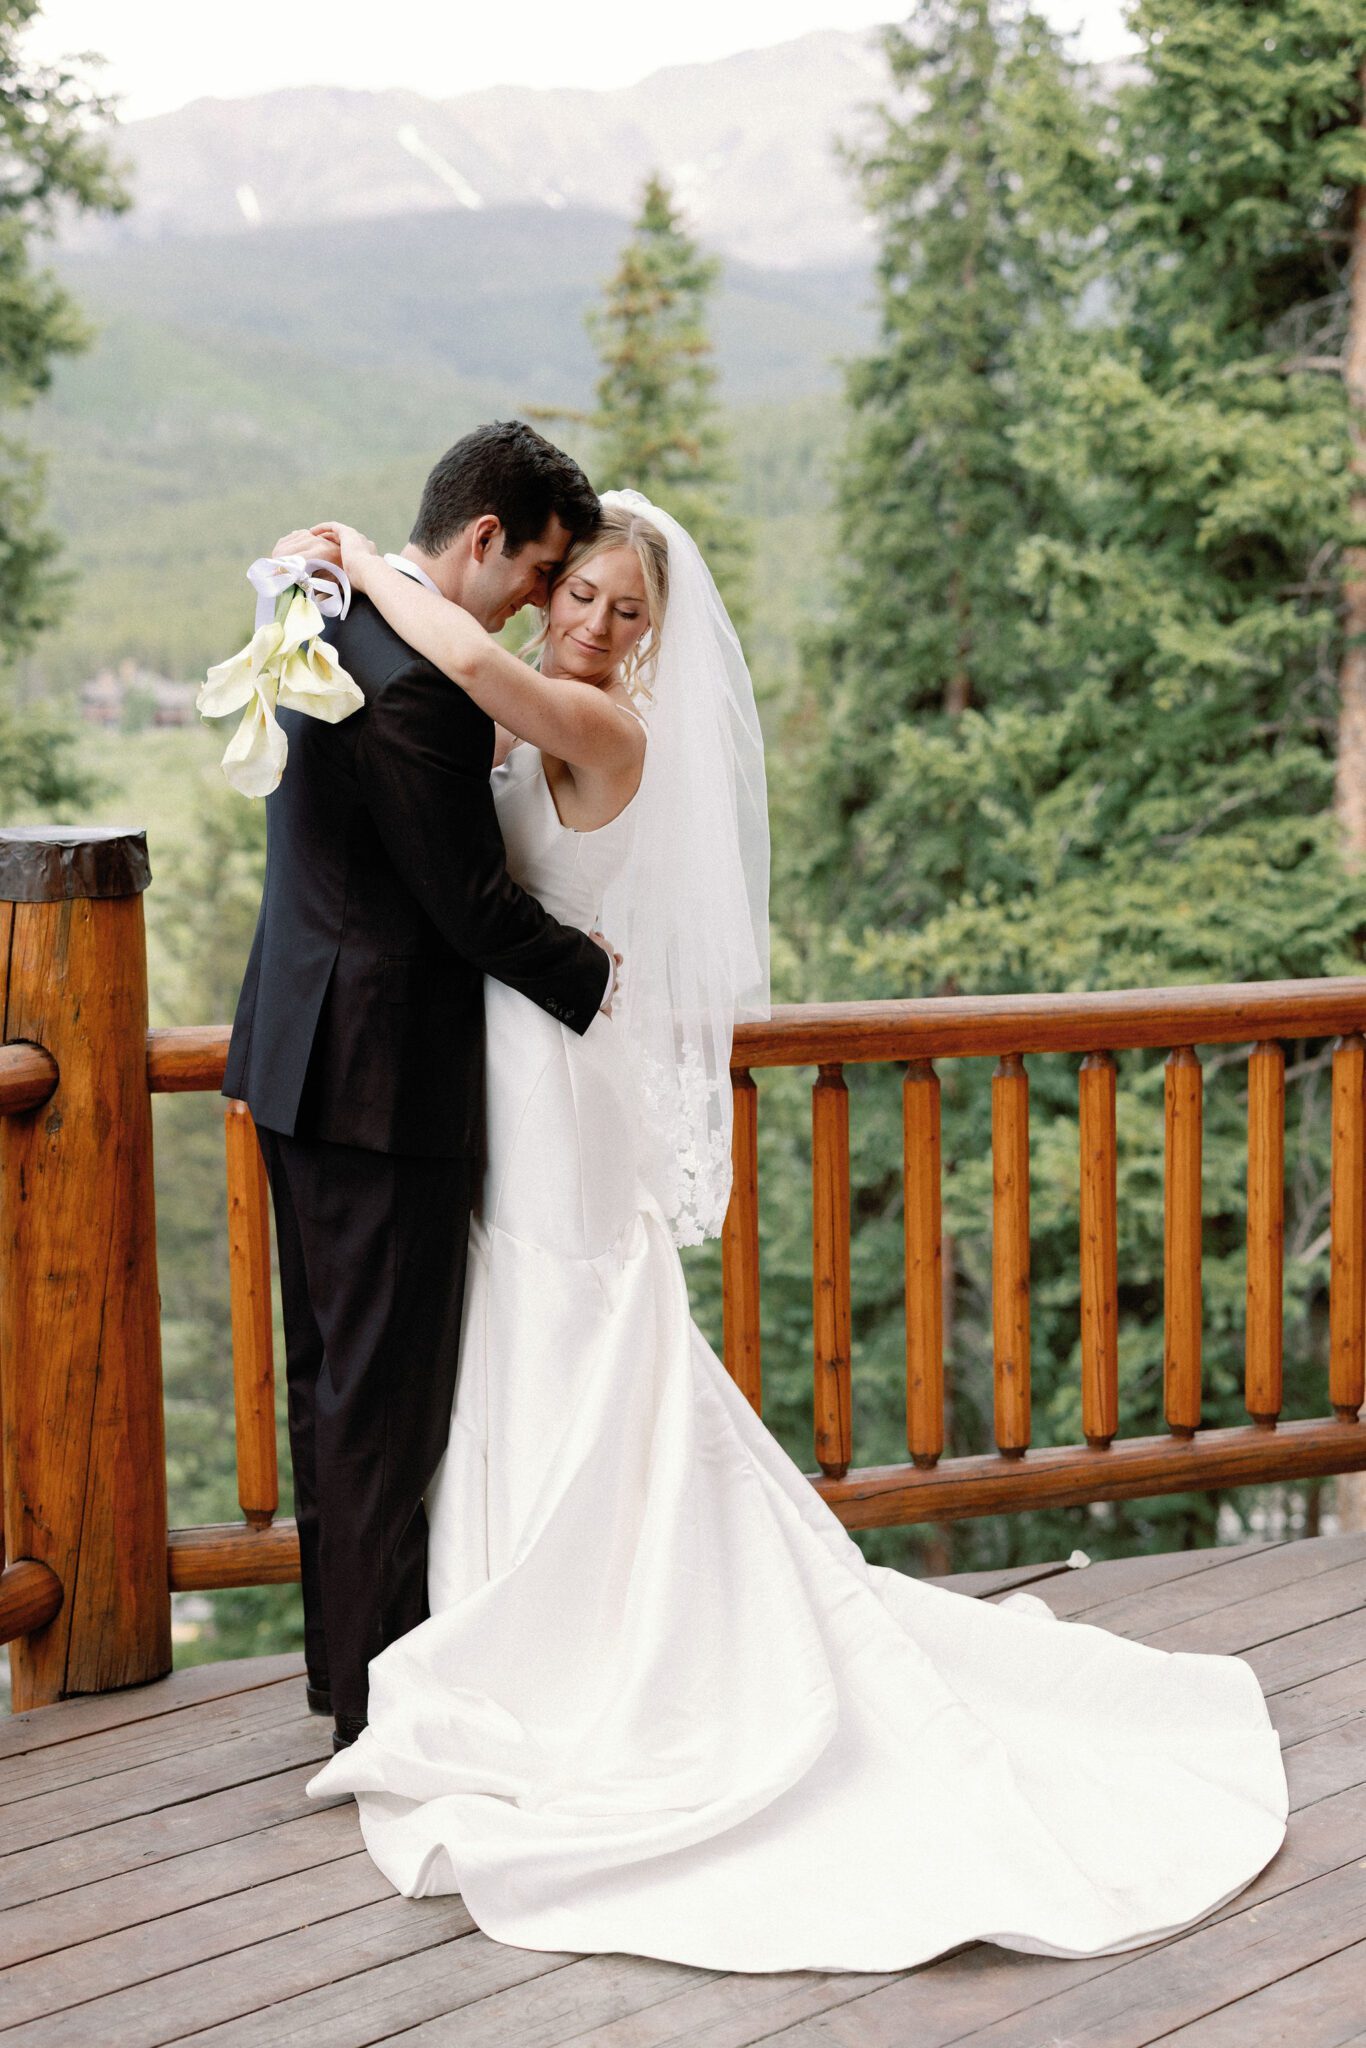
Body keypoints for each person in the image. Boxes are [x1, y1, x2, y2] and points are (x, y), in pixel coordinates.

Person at [291, 493, 1288, 1974]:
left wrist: (369, 564)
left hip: (560, 1095)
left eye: (627, 612)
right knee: (507, 1341)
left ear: (655, 639)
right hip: (502, 1069)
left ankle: (590, 1658)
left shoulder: (601, 728)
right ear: (548, 584)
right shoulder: (549, 715)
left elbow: (480, 678)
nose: (594, 625)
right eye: (580, 597)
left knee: (572, 1333)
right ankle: (510, 1625)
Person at [224, 421, 617, 1757]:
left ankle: (352, 1688)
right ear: (486, 537)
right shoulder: (428, 686)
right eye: (537, 572)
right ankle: (379, 1716)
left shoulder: (316, 601)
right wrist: (597, 978)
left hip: (295, 1051)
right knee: (380, 1408)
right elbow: (468, 910)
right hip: (385, 1081)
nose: (525, 606)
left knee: (334, 1385)